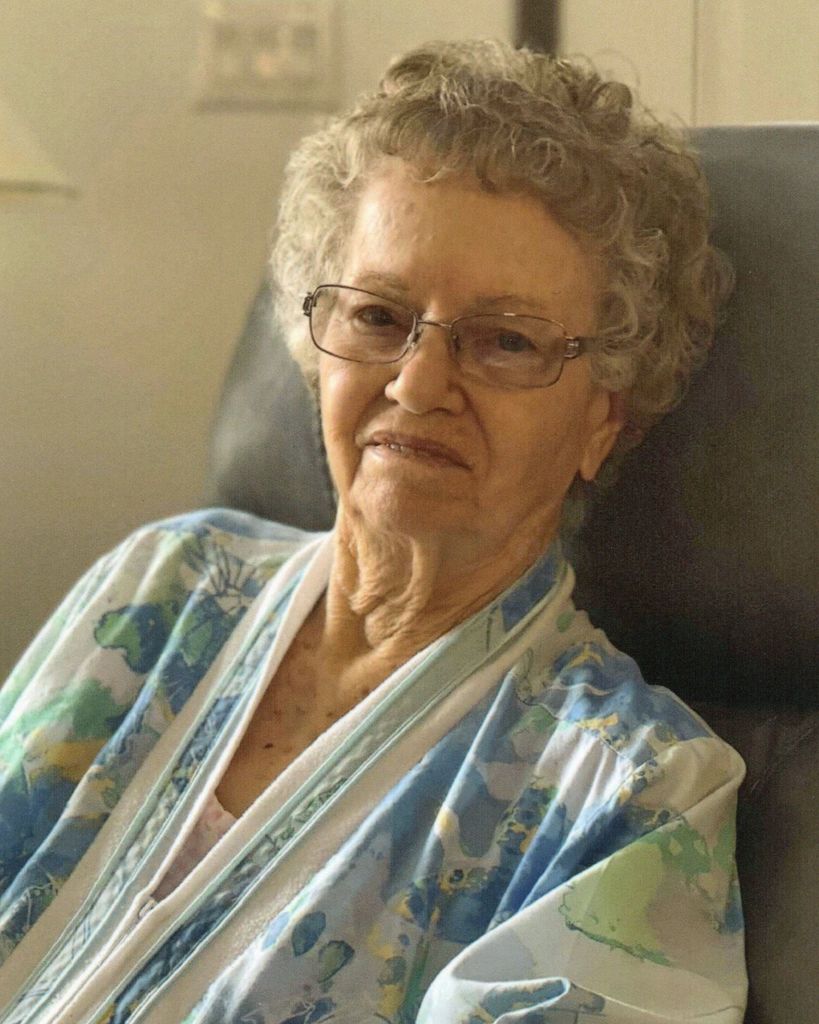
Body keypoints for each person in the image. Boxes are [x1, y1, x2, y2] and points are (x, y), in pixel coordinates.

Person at [0, 40, 744, 1024]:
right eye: (381, 317)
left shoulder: (633, 796)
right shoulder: (166, 585)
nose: (419, 384)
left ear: (604, 418)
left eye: (506, 340)